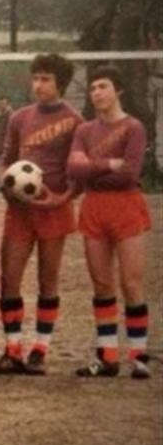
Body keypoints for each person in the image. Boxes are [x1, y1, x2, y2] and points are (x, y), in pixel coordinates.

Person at [0, 54, 82, 376]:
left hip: (54, 210)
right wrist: (6, 180)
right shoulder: (19, 118)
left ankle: (40, 351)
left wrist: (63, 196)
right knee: (10, 278)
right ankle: (12, 348)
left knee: (48, 279)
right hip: (19, 210)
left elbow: (78, 172)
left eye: (45, 79)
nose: (38, 85)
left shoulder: (74, 121)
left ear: (61, 83)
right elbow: (6, 159)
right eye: (35, 78)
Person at [67, 65, 151, 379]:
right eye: (93, 88)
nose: (97, 93)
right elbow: (73, 169)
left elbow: (130, 172)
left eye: (103, 86)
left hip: (126, 205)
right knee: (102, 284)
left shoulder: (133, 127)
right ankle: (108, 356)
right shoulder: (84, 130)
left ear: (118, 91)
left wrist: (92, 166)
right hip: (94, 207)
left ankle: (139, 356)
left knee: (131, 282)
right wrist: (108, 164)